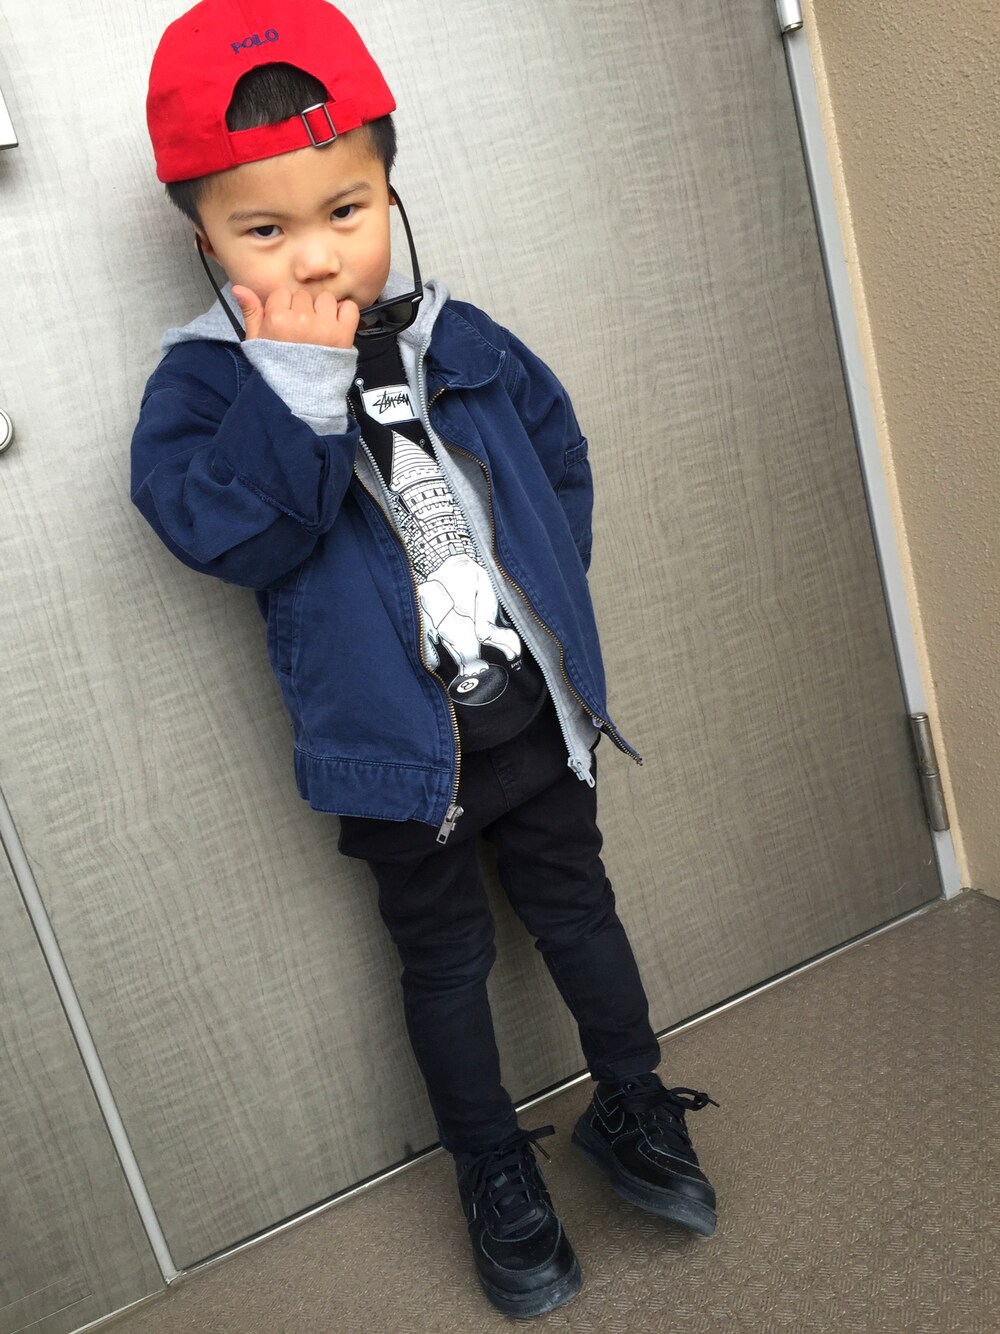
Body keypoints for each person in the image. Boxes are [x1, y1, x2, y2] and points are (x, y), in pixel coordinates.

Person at [133, 0, 718, 1317]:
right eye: (263, 230)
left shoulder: (459, 335)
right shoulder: (207, 386)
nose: (317, 255)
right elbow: (231, 536)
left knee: (583, 913)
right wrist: (293, 383)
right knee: (445, 964)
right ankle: (492, 1167)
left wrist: (543, 608)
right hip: (395, 756)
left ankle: (632, 1101)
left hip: (531, 717)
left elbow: (558, 461)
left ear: (389, 189)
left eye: (345, 210)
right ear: (203, 237)